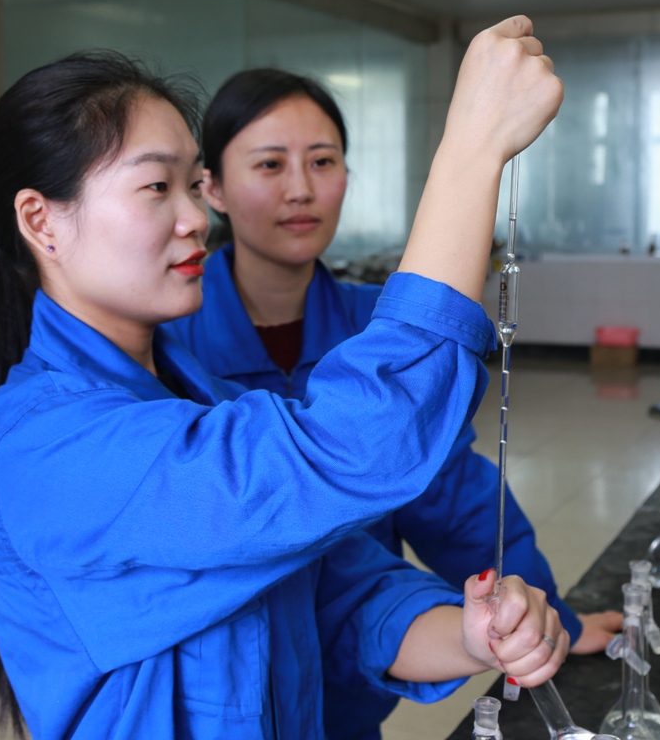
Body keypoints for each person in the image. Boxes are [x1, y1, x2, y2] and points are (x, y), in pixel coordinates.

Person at [0, 19, 568, 740]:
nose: (194, 219)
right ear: (42, 221)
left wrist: (472, 634)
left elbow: (345, 595)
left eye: (191, 186)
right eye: (156, 186)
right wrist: (471, 150)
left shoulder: (209, 399)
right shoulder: (42, 444)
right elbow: (352, 446)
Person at [163, 68, 622, 740]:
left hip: (363, 663)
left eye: (323, 161)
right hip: (227, 687)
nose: (301, 189)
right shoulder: (172, 345)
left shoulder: (382, 332)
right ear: (212, 189)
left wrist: (544, 619)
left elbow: (454, 501)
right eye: (269, 164)